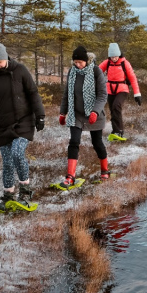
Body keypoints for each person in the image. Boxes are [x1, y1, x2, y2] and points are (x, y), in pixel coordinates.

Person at [0, 42, 45, 212]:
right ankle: (8, 195)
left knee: (17, 153)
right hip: (1, 125)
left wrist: (40, 115)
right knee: (7, 162)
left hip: (23, 121)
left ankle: (25, 191)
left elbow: (33, 92)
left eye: (0, 62)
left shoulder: (20, 70)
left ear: (6, 58)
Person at [58, 45, 109, 188]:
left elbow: (102, 95)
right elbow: (67, 94)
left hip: (94, 114)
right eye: (75, 63)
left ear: (86, 60)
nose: (78, 65)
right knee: (74, 141)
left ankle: (105, 170)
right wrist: (63, 112)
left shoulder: (96, 71)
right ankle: (70, 176)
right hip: (77, 114)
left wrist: (95, 112)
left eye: (80, 62)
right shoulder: (72, 72)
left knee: (97, 143)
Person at [99, 42, 141, 141]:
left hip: (122, 88)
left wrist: (137, 94)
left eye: (115, 56)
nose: (114, 58)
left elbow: (133, 78)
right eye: (112, 57)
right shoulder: (107, 62)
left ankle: (119, 131)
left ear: (119, 54)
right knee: (113, 110)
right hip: (110, 89)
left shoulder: (124, 63)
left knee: (116, 106)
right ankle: (115, 132)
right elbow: (97, 71)